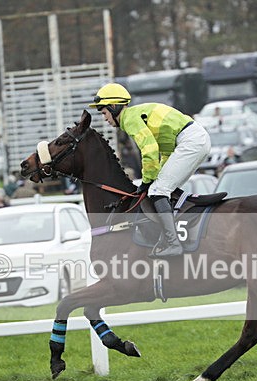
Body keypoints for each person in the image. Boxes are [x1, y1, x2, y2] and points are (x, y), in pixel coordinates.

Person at [89, 82, 211, 257]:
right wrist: (154, 177)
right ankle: (171, 233)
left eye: (104, 112)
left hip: (191, 141)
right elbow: (165, 152)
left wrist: (146, 181)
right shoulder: (136, 115)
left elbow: (149, 150)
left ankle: (173, 243)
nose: (105, 118)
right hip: (195, 139)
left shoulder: (130, 119)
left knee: (158, 190)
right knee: (163, 188)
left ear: (114, 107)